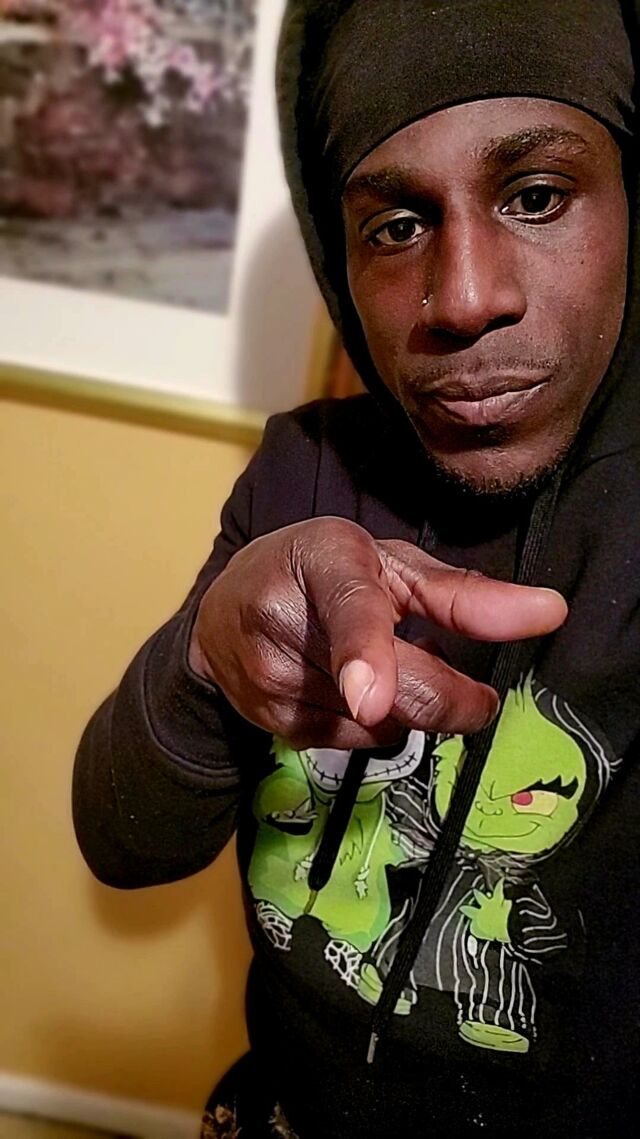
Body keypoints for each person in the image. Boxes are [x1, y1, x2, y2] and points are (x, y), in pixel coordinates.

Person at [73, 1, 640, 1135]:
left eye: (535, 196)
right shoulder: (304, 472)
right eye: (396, 224)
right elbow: (122, 843)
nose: (465, 295)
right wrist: (201, 664)